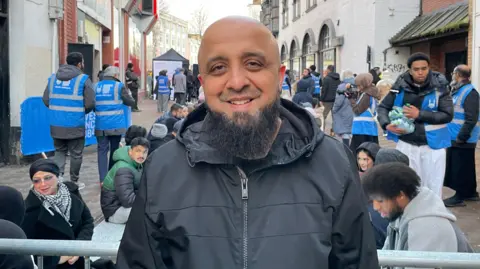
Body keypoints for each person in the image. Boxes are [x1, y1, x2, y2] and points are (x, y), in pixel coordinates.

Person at [116, 16, 378, 269]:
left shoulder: (334, 164)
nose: (238, 82)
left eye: (253, 64)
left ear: (279, 75)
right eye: (219, 68)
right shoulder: (163, 168)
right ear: (204, 83)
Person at [377, 52, 453, 198]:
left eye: (424, 68)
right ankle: (410, 217)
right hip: (407, 144)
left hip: (433, 145)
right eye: (416, 69)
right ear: (410, 70)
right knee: (407, 187)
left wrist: (420, 114)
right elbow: (383, 107)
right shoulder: (399, 85)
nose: (420, 72)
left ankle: (433, 218)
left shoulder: (440, 87)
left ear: (429, 68)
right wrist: (386, 124)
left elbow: (448, 115)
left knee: (433, 188)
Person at [363, 163, 473, 254]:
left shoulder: (427, 229)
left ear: (401, 195)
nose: (375, 207)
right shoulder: (401, 211)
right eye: (373, 200)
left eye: (380, 201)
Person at [22, 159, 94, 269]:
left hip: (78, 259)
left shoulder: (71, 192)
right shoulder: (30, 209)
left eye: (47, 178)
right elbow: (24, 247)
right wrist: (57, 258)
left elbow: (87, 221)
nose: (43, 184)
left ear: (57, 176)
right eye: (36, 181)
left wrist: (79, 247)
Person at [43, 52, 95, 189]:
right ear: (79, 64)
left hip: (56, 123)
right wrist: (80, 112)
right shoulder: (83, 79)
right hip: (75, 124)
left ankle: (58, 178)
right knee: (76, 154)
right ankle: (74, 181)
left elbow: (46, 100)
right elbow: (90, 103)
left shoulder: (53, 78)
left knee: (59, 151)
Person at [444, 65, 480, 207]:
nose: (452, 75)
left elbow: (471, 118)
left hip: (463, 137)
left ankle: (458, 196)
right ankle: (470, 193)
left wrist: (462, 137)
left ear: (458, 75)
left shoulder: (470, 93)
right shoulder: (459, 91)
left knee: (459, 168)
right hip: (455, 136)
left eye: (453, 73)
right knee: (467, 166)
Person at [95, 66, 135, 184]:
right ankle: (110, 176)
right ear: (116, 75)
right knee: (114, 149)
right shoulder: (119, 86)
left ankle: (102, 179)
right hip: (116, 124)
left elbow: (90, 103)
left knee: (101, 150)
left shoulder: (96, 86)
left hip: (100, 124)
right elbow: (130, 102)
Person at [101, 137, 149, 224]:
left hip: (122, 206)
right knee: (150, 211)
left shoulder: (136, 163)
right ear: (130, 151)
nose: (141, 155)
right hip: (114, 211)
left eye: (145, 152)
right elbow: (127, 200)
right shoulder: (123, 169)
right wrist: (149, 200)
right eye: (138, 151)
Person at [349, 73, 380, 153]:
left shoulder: (366, 95)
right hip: (370, 128)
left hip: (361, 129)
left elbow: (357, 110)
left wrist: (351, 99)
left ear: (364, 84)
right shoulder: (373, 93)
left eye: (359, 85)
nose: (358, 88)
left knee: (358, 153)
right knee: (371, 153)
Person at [332, 70, 354, 145]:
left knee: (345, 131)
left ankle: (346, 150)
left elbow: (339, 101)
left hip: (344, 111)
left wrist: (334, 109)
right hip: (354, 110)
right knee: (352, 130)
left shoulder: (342, 86)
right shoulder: (356, 85)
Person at [319, 65, 340, 133]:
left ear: (328, 70)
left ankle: (322, 131)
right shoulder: (338, 79)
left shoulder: (327, 78)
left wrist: (321, 99)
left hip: (327, 101)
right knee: (335, 117)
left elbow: (324, 90)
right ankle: (333, 131)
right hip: (336, 100)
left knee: (323, 116)